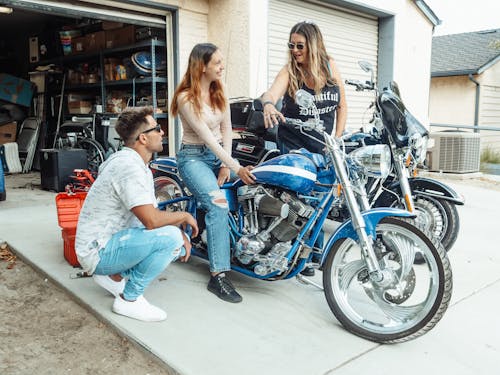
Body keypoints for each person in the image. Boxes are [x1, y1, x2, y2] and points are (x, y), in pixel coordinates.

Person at [75, 106, 198, 322]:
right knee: (171, 239)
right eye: (157, 128)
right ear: (143, 138)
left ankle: (115, 276)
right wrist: (184, 218)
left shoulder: (131, 161)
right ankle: (128, 299)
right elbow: (151, 220)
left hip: (107, 242)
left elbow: (149, 216)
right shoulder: (128, 167)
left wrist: (180, 233)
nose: (162, 133)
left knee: (178, 240)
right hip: (98, 251)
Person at [260, 21, 348, 276]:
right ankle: (298, 253)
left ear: (313, 45)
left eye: (300, 46)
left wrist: (338, 140)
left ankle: (313, 253)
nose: (295, 50)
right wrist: (267, 104)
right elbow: (271, 92)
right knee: (301, 201)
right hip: (293, 143)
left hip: (322, 145)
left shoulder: (330, 66)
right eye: (291, 45)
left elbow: (341, 106)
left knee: (321, 199)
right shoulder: (290, 71)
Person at [171, 43, 255, 303]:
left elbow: (228, 129)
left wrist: (225, 166)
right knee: (218, 206)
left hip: (218, 157)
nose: (222, 66)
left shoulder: (220, 88)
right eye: (217, 62)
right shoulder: (186, 98)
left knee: (255, 188)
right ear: (202, 66)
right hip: (193, 157)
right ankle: (218, 275)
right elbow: (207, 138)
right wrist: (236, 168)